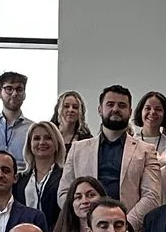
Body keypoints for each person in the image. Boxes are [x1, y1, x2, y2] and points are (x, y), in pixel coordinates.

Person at [67, 84, 159, 222]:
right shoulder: (77, 149)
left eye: (122, 105)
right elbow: (65, 193)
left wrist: (124, 225)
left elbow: (152, 196)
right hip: (85, 230)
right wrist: (89, 223)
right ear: (100, 109)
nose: (115, 109)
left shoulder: (146, 151)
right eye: (110, 104)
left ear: (130, 111)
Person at [17, 119, 69, 222]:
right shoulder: (20, 178)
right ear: (29, 144)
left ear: (57, 143)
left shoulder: (65, 176)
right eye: (36, 138)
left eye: (48, 138)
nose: (42, 142)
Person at [0, 67, 34, 159]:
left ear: (24, 94)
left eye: (19, 89)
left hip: (22, 173)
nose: (14, 94)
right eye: (9, 89)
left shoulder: (32, 128)